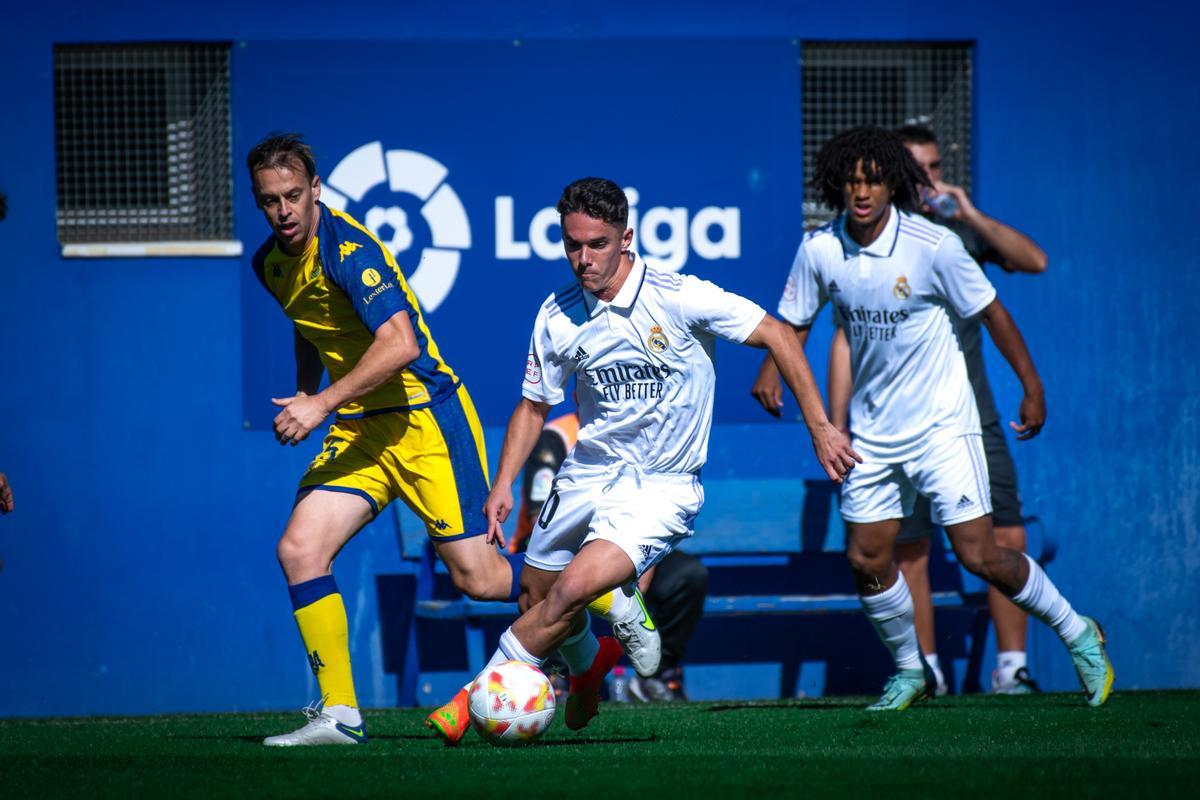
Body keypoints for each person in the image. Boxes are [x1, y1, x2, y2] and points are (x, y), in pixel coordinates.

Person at [465, 176, 857, 735]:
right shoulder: (557, 312)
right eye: (571, 244)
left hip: (662, 484)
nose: (583, 258)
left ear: (627, 238)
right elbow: (533, 406)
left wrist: (819, 428)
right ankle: (589, 668)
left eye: (596, 244)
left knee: (576, 588)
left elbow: (779, 335)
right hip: (587, 472)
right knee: (535, 595)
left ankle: (474, 700)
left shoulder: (678, 295)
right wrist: (503, 484)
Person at [750, 126, 1112, 710]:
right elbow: (793, 320)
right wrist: (772, 367)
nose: (862, 191)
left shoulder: (935, 245)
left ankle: (1078, 632)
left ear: (894, 182)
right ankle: (911, 670)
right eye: (852, 180)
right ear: (837, 185)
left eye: (872, 180)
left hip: (945, 426)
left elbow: (993, 312)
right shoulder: (820, 248)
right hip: (872, 433)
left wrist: (1033, 386)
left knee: (979, 554)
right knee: (867, 556)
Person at [247, 133, 525, 746]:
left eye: (295, 195)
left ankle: (591, 594)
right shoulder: (270, 264)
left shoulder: (349, 249)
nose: (285, 211)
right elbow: (309, 323)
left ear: (316, 189)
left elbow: (403, 345)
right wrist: (303, 390)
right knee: (299, 550)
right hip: (362, 427)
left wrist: (320, 402)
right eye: (271, 201)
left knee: (479, 579)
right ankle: (340, 715)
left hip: (425, 417)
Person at [827, 124, 1049, 694]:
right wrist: (837, 420)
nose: (924, 178)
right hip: (892, 430)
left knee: (1003, 539)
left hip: (968, 420)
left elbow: (1034, 261)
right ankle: (926, 670)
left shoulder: (950, 237)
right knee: (908, 550)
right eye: (914, 167)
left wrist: (969, 212)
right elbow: (845, 335)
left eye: (932, 166)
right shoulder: (862, 246)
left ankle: (1012, 667)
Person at [511, 411, 710, 701]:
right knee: (565, 577)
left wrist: (638, 560)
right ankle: (560, 675)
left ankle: (658, 675)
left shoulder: (642, 431)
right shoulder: (559, 436)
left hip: (627, 546)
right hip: (566, 548)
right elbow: (539, 515)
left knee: (688, 576)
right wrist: (608, 563)